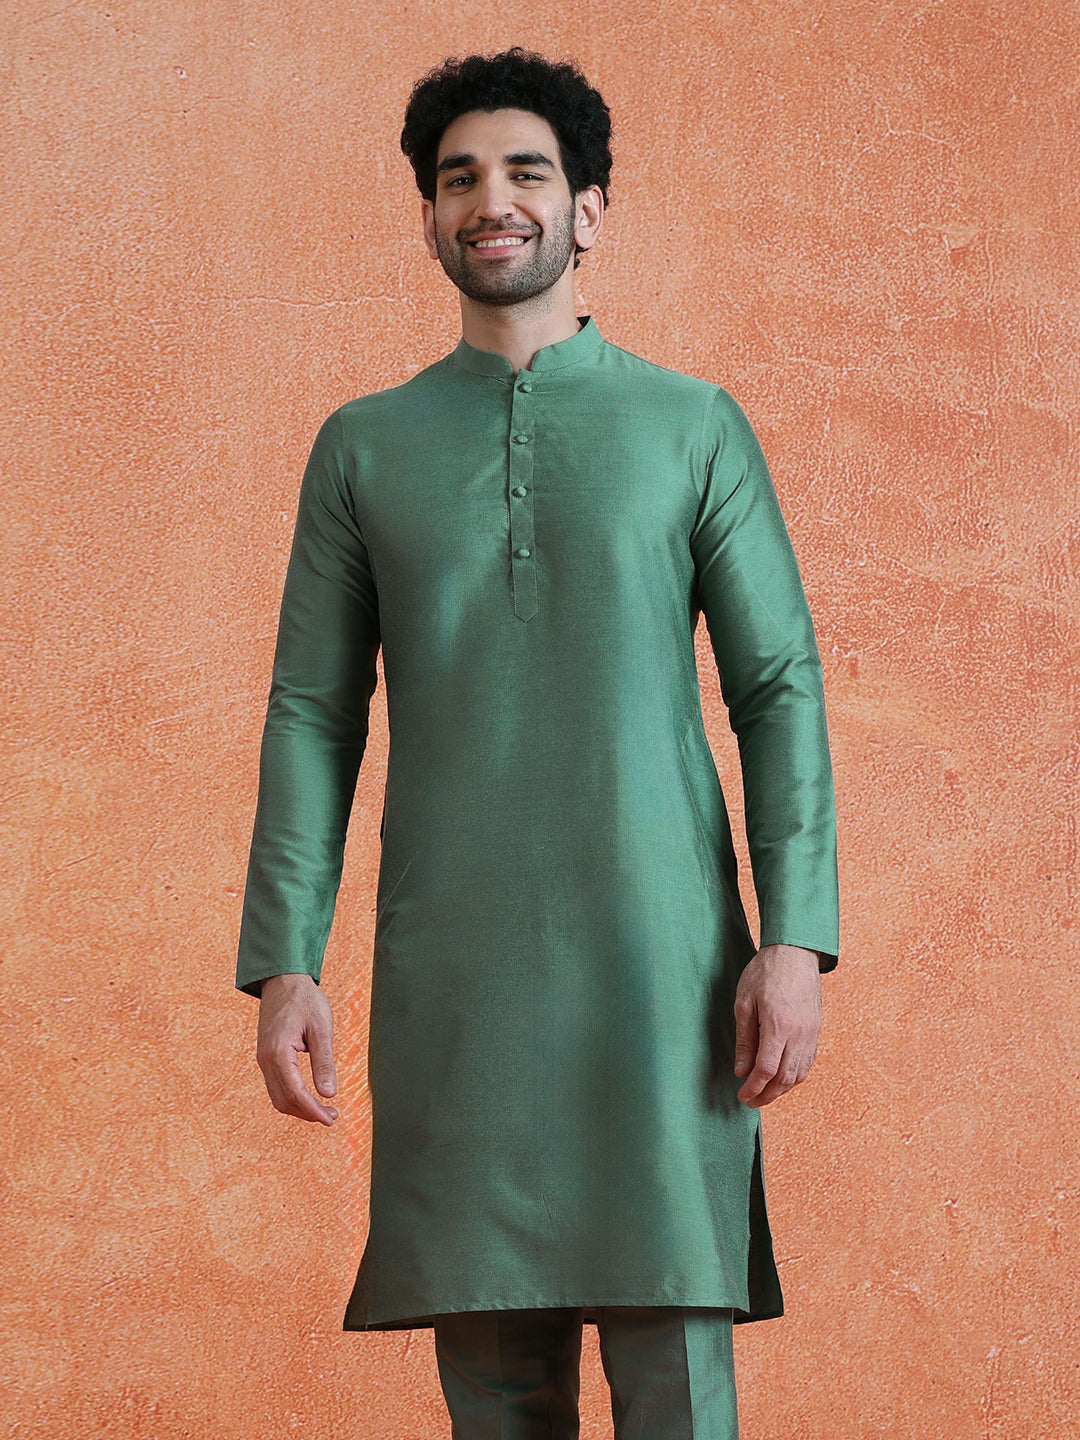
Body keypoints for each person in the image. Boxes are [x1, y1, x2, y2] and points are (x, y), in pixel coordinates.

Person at [236, 45, 839, 1440]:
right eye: (459, 180)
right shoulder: (363, 447)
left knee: (675, 1370)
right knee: (495, 1388)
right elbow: (313, 713)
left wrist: (796, 939)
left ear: (589, 210)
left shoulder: (692, 426)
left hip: (665, 972)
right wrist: (283, 961)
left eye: (526, 173)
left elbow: (780, 689)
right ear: (428, 218)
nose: (491, 202)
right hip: (455, 978)